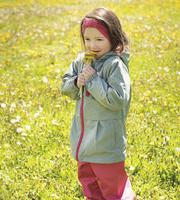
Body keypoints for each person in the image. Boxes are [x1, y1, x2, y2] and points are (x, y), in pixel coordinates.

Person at [61, 7, 135, 200]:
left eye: (99, 39)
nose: (92, 45)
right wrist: (78, 81)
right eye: (87, 39)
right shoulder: (80, 61)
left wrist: (93, 81)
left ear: (113, 39)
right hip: (83, 141)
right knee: (90, 186)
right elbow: (66, 87)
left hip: (106, 144)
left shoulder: (115, 66)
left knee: (113, 190)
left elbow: (117, 99)